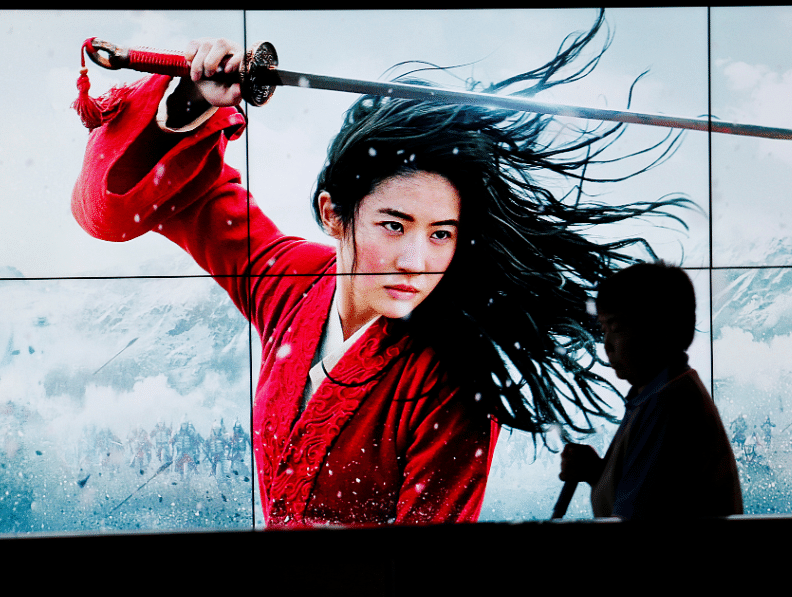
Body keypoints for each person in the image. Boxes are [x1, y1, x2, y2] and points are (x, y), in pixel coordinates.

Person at [72, 13, 693, 527]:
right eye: (393, 226)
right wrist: (190, 100)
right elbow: (148, 203)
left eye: (441, 235)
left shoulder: (450, 383)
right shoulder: (290, 279)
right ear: (334, 216)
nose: (416, 262)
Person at [560, 262, 742, 518]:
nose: (607, 345)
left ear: (658, 329)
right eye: (603, 329)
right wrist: (597, 474)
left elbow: (638, 523)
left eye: (617, 328)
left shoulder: (669, 405)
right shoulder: (655, 396)